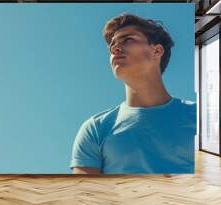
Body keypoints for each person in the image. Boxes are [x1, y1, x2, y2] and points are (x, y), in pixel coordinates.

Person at [70, 13, 196, 174]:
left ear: (156, 51)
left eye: (128, 40)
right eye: (112, 45)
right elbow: (87, 195)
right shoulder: (95, 129)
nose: (115, 48)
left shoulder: (197, 116)